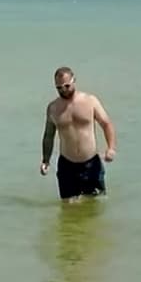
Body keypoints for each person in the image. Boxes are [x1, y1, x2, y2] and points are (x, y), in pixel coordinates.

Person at [40, 66, 117, 200]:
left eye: (66, 86)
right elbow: (48, 135)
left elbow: (106, 123)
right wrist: (45, 160)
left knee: (96, 203)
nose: (63, 90)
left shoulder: (90, 101)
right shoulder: (53, 108)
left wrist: (110, 148)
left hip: (91, 164)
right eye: (59, 88)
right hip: (66, 166)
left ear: (74, 80)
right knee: (68, 208)